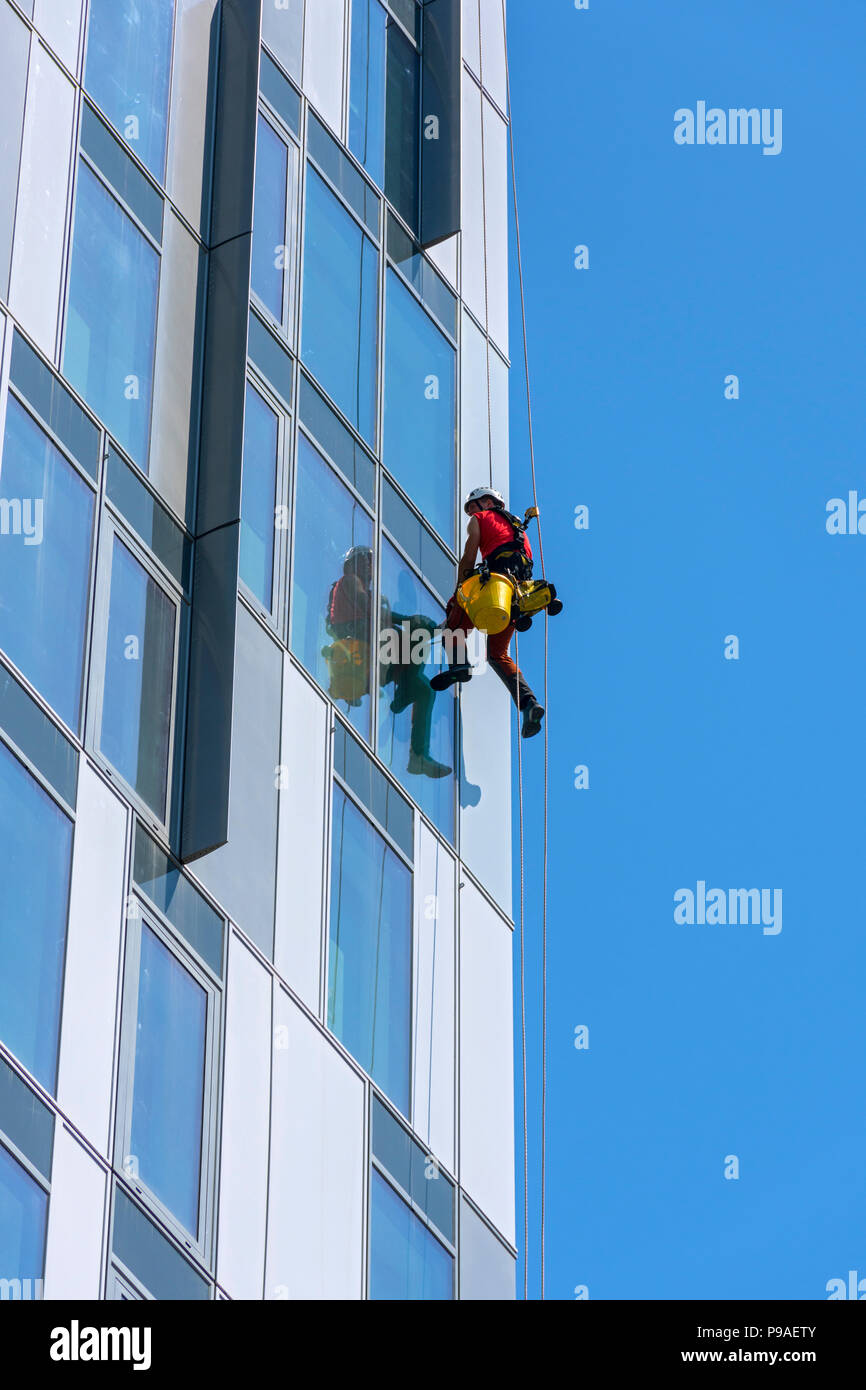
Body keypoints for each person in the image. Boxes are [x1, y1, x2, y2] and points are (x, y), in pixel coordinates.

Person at [324, 546, 451, 779]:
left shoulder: (365, 591)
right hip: (364, 649)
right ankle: (404, 692)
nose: (369, 567)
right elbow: (370, 610)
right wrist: (411, 620)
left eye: (371, 563)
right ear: (353, 564)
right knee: (419, 632)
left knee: (424, 690)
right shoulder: (349, 582)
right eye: (365, 561)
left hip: (377, 656)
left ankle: (418, 756)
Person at [432, 488, 545, 739]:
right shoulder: (519, 528)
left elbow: (469, 556)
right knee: (497, 654)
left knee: (453, 626)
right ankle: (529, 705)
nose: (470, 512)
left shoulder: (480, 520)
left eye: (472, 506)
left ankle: (460, 665)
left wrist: (460, 589)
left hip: (495, 586)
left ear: (487, 502)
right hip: (517, 596)